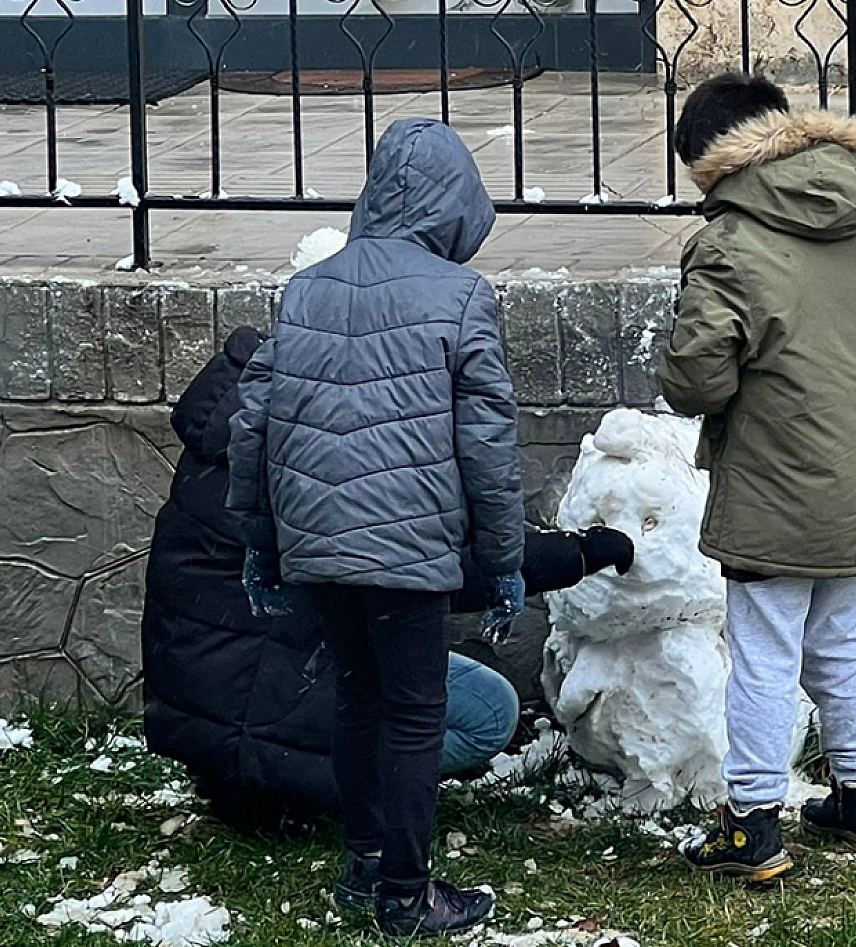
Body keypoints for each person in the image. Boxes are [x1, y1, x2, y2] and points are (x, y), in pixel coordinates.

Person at [142, 326, 635, 839]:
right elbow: (427, 570)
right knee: (489, 710)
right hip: (267, 707)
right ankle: (311, 784)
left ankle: (261, 778)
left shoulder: (229, 442)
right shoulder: (315, 463)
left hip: (200, 703)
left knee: (441, 661)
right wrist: (576, 554)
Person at [227, 117, 526, 939]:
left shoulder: (307, 289)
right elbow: (488, 444)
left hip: (317, 537)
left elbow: (255, 424)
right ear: (457, 204)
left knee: (357, 694)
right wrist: (502, 557)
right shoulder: (461, 296)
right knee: (416, 710)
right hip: (409, 545)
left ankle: (364, 866)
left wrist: (261, 541)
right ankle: (407, 894)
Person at [658, 74, 856, 882]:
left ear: (713, 158)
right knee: (838, 635)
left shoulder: (731, 242)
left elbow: (697, 380)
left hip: (775, 481)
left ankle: (752, 823)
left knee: (764, 650)